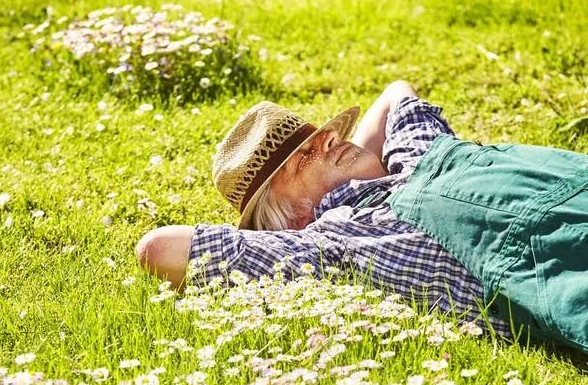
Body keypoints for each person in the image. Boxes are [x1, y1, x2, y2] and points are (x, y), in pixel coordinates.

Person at [135, 81, 588, 354]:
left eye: (321, 135)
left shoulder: (415, 157)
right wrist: (286, 233)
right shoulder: (340, 244)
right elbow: (160, 248)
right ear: (289, 218)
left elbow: (395, 94)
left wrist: (354, 166)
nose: (329, 139)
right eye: (302, 157)